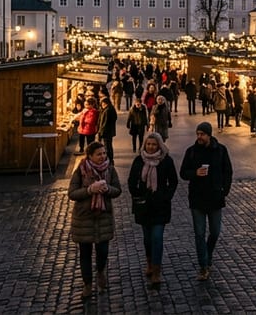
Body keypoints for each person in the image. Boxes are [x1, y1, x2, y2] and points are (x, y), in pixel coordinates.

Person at [180, 122, 233, 281]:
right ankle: (203, 266)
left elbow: (228, 171)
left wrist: (225, 190)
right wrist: (195, 173)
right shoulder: (191, 152)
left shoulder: (221, 151)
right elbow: (183, 173)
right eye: (197, 134)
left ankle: (207, 253)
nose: (199, 137)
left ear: (209, 135)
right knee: (199, 233)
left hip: (215, 198)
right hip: (197, 198)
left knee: (215, 232)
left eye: (202, 134)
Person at [68, 141, 122, 297]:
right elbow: (72, 193)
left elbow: (117, 190)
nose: (103, 156)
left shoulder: (110, 169)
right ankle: (87, 284)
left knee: (102, 251)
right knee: (85, 253)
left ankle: (100, 272)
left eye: (104, 153)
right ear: (90, 156)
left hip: (103, 217)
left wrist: (107, 190)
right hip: (84, 218)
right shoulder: (81, 170)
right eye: (99, 154)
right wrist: (90, 190)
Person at [128, 132, 177, 289]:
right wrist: (136, 194)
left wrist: (165, 196)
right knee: (147, 238)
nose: (150, 147)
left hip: (160, 206)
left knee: (157, 237)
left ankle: (157, 271)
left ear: (159, 145)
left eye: (154, 144)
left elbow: (173, 181)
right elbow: (131, 181)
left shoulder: (166, 161)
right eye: (148, 144)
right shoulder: (138, 160)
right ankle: (149, 262)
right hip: (143, 206)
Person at [97, 97, 118, 163]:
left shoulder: (107, 111)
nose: (102, 105)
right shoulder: (109, 109)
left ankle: (109, 159)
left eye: (103, 104)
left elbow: (104, 123)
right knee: (108, 145)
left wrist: (100, 132)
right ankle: (110, 159)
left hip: (106, 132)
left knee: (107, 146)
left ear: (106, 103)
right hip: (109, 131)